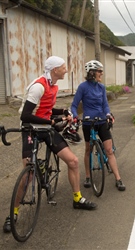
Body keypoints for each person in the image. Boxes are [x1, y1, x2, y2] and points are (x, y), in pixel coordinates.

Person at [3, 56, 97, 233]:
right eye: (63, 67)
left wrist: (63, 112)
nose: (66, 70)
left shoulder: (53, 86)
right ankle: (13, 214)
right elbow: (26, 115)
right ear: (55, 70)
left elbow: (46, 109)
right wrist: (52, 123)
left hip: (46, 127)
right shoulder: (39, 86)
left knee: (73, 162)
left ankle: (77, 199)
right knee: (27, 175)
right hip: (31, 128)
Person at [71, 60, 126, 191]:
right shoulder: (83, 87)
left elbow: (105, 105)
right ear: (92, 72)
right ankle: (88, 177)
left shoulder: (101, 87)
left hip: (102, 121)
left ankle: (118, 179)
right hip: (88, 122)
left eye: (101, 71)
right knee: (88, 150)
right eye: (99, 71)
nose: (102, 73)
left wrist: (108, 114)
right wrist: (75, 117)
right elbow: (74, 105)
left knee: (109, 150)